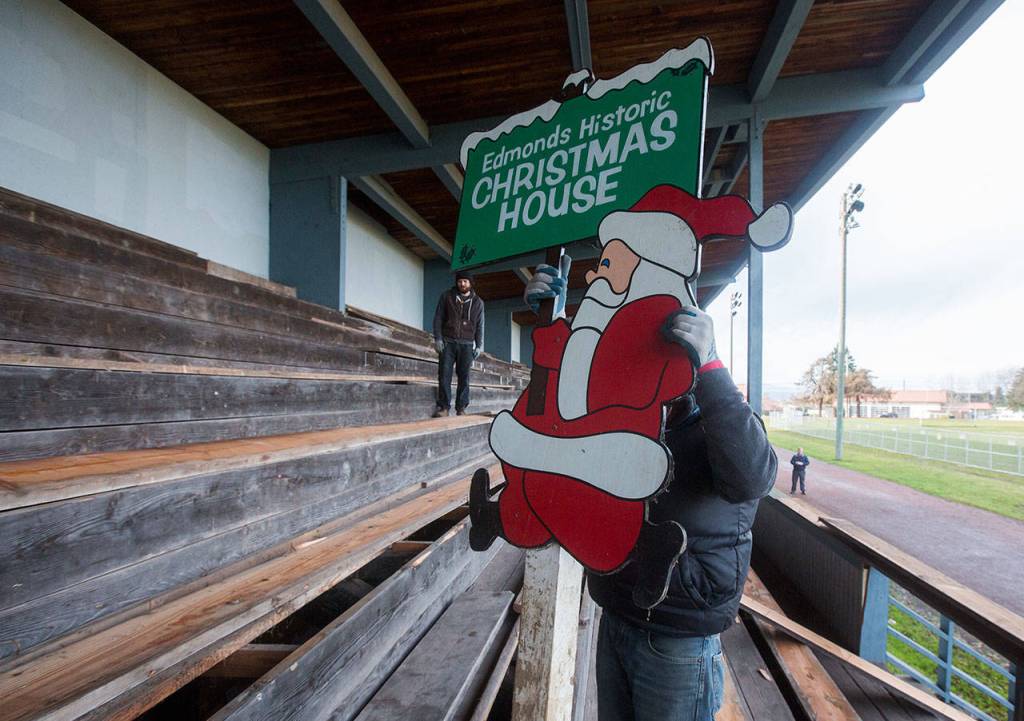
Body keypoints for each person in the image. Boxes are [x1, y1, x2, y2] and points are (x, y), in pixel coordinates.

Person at [467, 185, 790, 721]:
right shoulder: (615, 391)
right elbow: (572, 394)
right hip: (616, 606)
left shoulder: (715, 407)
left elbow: (752, 478)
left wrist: (710, 366)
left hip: (680, 634)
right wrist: (553, 319)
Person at [432, 270, 484, 417]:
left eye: (465, 281)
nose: (462, 283)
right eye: (460, 281)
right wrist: (438, 338)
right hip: (448, 342)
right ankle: (444, 408)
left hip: (467, 344)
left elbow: (480, 325)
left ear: (470, 283)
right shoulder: (446, 297)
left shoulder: (478, 302)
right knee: (444, 375)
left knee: (464, 377)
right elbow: (438, 318)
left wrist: (479, 345)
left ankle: (461, 408)